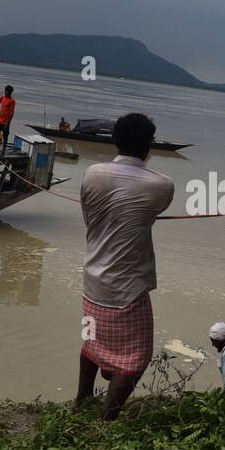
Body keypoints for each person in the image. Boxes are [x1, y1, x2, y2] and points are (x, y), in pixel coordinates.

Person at [74, 113, 175, 419]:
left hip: (92, 279)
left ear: (114, 141)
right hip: (126, 290)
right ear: (149, 147)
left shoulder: (91, 174)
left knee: (92, 341)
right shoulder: (162, 185)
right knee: (136, 357)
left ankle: (81, 399)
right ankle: (108, 417)